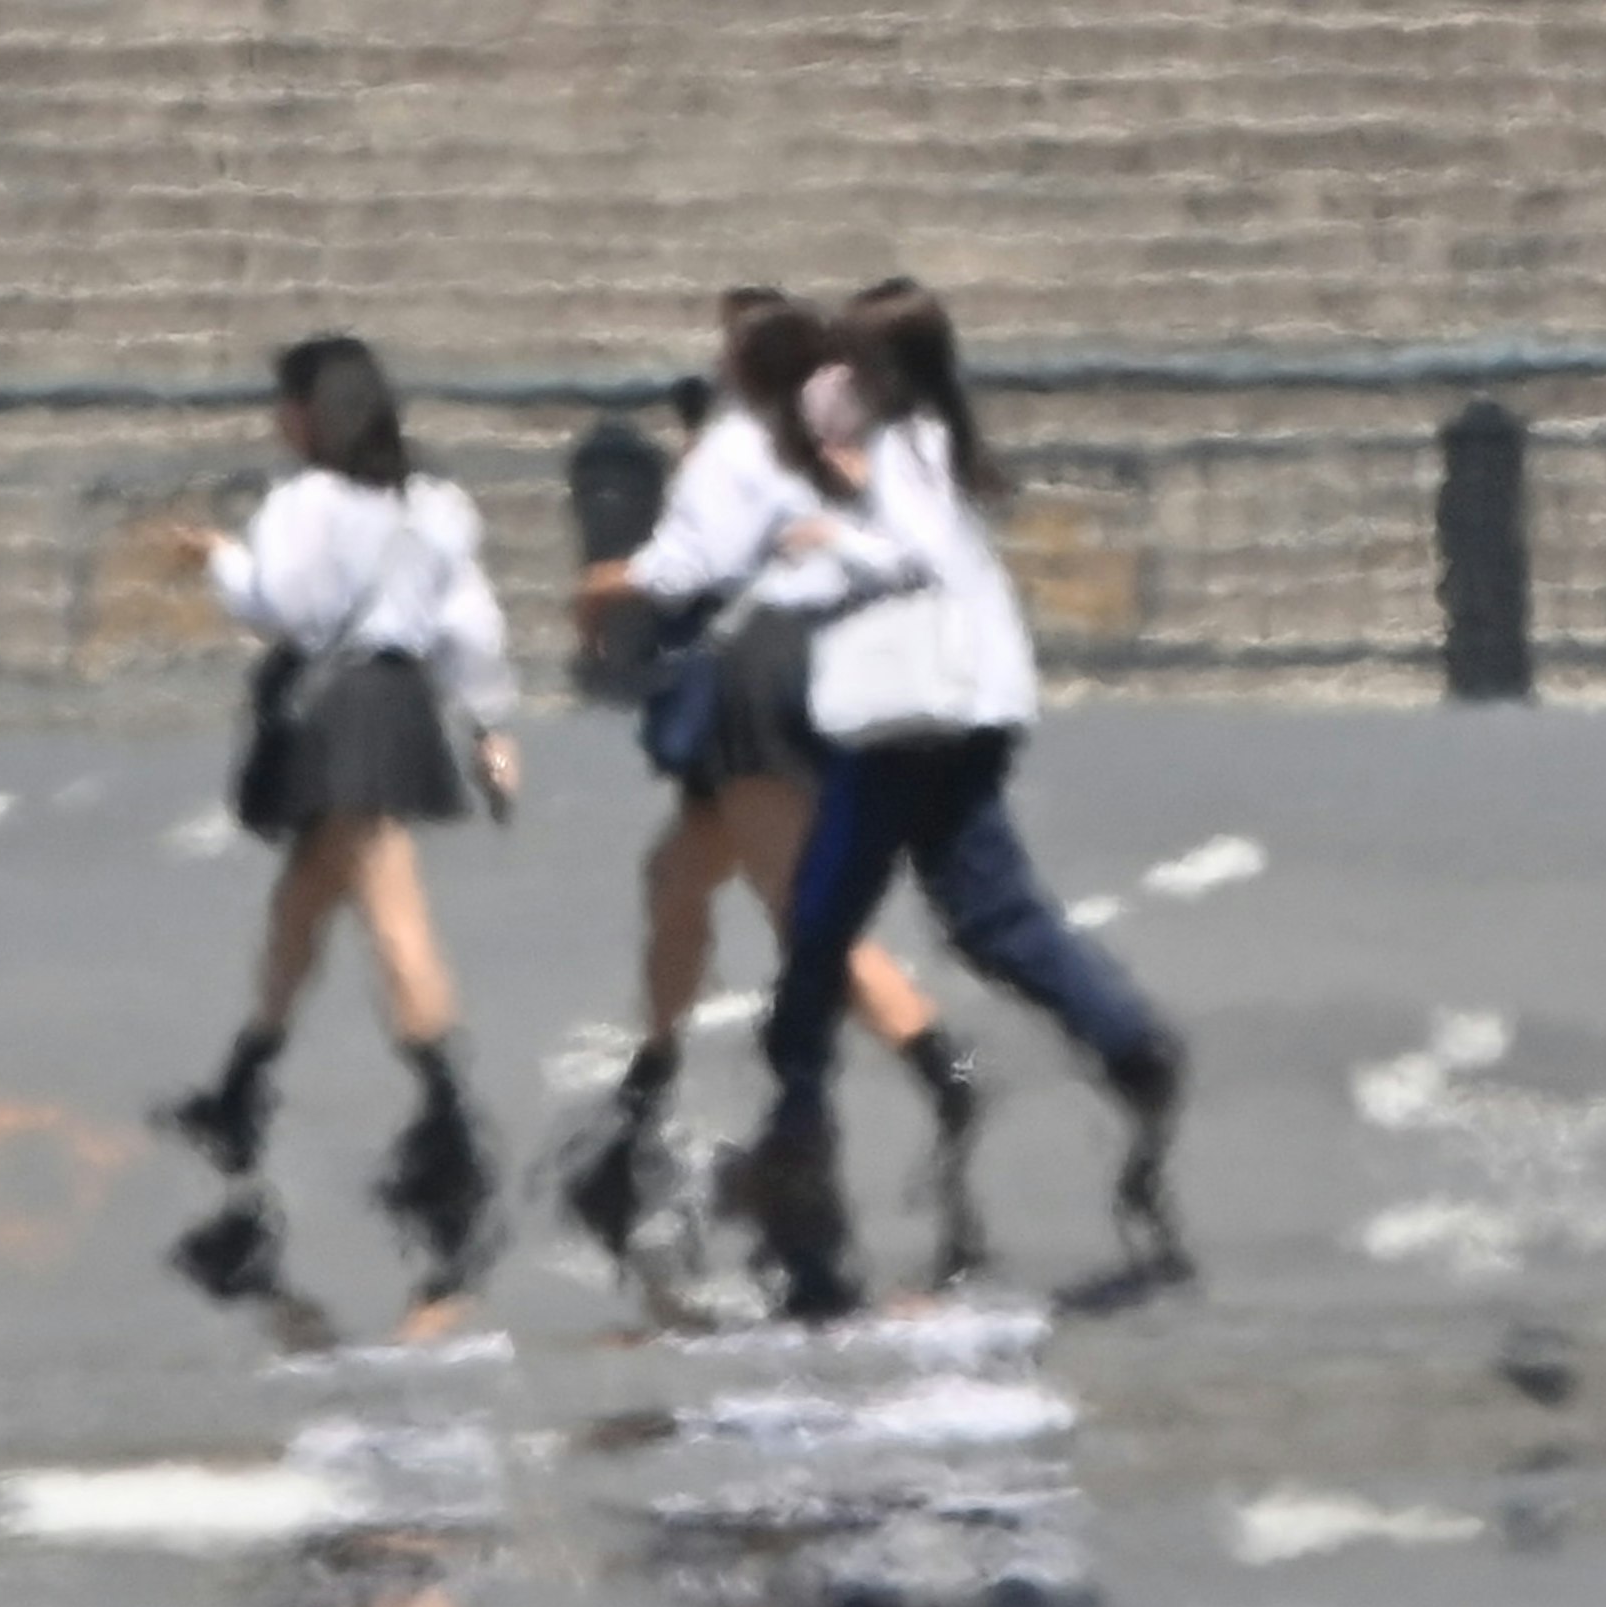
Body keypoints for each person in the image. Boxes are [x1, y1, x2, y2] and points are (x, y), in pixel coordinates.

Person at [734, 279, 1189, 1321]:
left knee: (824, 912)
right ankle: (1123, 1038)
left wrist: (826, 545)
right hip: (963, 711)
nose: (833, 377)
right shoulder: (925, 435)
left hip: (912, 719)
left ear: (885, 369)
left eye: (850, 356)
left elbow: (911, 557)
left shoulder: (912, 449)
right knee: (986, 911)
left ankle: (794, 1128)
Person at [568, 293, 980, 1275]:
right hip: (787, 680)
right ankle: (643, 1095)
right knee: (677, 880)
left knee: (804, 911)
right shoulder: (829, 440)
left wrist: (597, 587)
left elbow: (692, 563)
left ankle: (943, 1077)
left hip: (756, 687)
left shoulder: (744, 445)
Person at [160, 334, 524, 1323]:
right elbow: (469, 621)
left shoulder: (307, 503)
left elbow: (286, 606)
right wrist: (490, 721)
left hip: (335, 711)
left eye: (286, 403)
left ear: (313, 413)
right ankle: (242, 1085)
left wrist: (220, 559)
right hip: (397, 701)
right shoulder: (433, 505)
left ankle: (450, 1127)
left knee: (390, 915)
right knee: (304, 902)